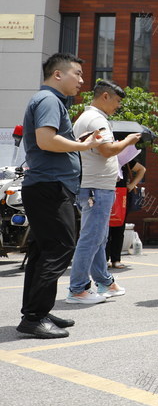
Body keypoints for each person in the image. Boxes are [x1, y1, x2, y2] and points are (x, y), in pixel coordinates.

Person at [16, 53, 104, 339]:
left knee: (44, 250)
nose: (81, 80)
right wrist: (84, 146)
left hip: (48, 186)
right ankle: (33, 317)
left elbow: (49, 141)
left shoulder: (49, 101)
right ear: (58, 74)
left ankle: (37, 311)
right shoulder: (49, 101)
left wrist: (76, 144)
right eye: (76, 74)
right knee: (60, 247)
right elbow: (45, 140)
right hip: (49, 187)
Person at [66, 79, 141, 304]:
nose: (118, 106)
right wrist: (128, 141)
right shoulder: (96, 119)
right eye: (117, 100)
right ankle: (78, 288)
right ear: (105, 96)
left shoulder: (89, 117)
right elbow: (107, 151)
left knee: (98, 236)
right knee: (92, 237)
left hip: (95, 186)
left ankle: (104, 282)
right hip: (96, 187)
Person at [105, 157, 145, 269]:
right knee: (105, 228)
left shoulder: (123, 158)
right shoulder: (103, 155)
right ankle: (104, 259)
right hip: (104, 192)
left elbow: (142, 169)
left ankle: (116, 259)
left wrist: (131, 185)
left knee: (119, 227)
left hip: (121, 195)